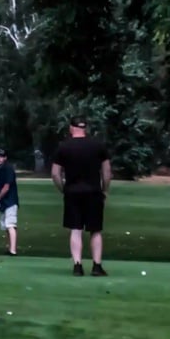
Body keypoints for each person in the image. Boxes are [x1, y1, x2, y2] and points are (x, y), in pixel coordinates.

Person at [51, 117, 111, 276]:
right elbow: (106, 172)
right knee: (95, 230)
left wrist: (63, 189)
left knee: (76, 229)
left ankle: (77, 265)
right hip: (94, 192)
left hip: (72, 192)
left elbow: (55, 174)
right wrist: (105, 190)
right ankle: (97, 265)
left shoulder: (64, 147)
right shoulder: (98, 145)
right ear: (85, 128)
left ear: (71, 128)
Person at [0, 148, 19, 256]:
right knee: (6, 226)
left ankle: (13, 250)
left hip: (11, 201)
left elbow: (6, 187)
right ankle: (9, 248)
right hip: (3, 203)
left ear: (5, 158)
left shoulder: (8, 169)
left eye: (1, 157)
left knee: (10, 225)